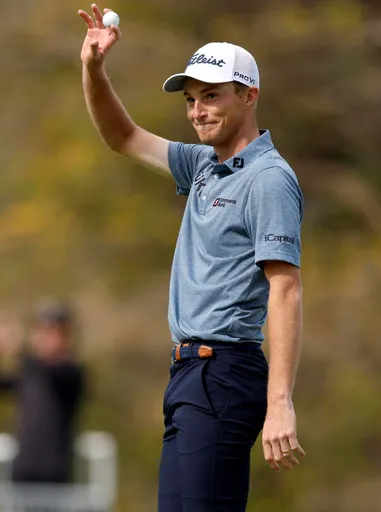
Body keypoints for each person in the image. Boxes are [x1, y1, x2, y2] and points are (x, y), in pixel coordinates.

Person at [77, 5, 306, 510]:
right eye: (190, 100)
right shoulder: (203, 164)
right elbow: (122, 136)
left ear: (249, 96)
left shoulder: (268, 179)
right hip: (188, 375)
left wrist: (279, 403)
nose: (197, 111)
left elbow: (285, 289)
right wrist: (93, 68)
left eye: (211, 97)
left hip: (225, 372)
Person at [0, 302, 85, 486]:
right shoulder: (29, 374)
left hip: (53, 475)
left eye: (51, 331)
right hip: (23, 471)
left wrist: (18, 346)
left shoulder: (71, 373)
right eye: (41, 331)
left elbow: (49, 371)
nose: (44, 338)